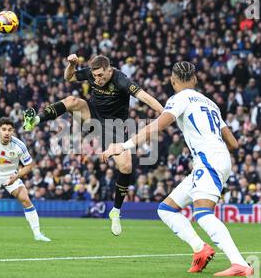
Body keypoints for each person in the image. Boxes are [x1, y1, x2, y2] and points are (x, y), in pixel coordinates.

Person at [103, 61, 254, 277]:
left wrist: (124, 145)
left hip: (207, 159)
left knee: (202, 213)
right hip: (215, 158)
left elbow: (157, 126)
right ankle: (200, 249)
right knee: (166, 209)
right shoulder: (210, 103)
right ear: (195, 79)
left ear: (173, 81)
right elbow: (234, 143)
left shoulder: (178, 98)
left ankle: (239, 264)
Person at [23, 54, 164, 236]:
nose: (97, 79)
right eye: (95, 76)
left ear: (109, 70)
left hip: (115, 128)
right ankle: (35, 120)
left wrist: (164, 111)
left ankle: (116, 211)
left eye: (101, 76)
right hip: (92, 116)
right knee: (73, 101)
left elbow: (144, 96)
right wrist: (71, 65)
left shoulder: (121, 79)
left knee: (126, 166)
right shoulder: (91, 73)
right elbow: (69, 77)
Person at [0, 117, 50, 242]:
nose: (6, 132)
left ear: (13, 132)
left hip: (11, 175)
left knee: (25, 199)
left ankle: (37, 234)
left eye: (9, 130)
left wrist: (17, 176)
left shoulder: (19, 146)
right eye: (4, 129)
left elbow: (30, 165)